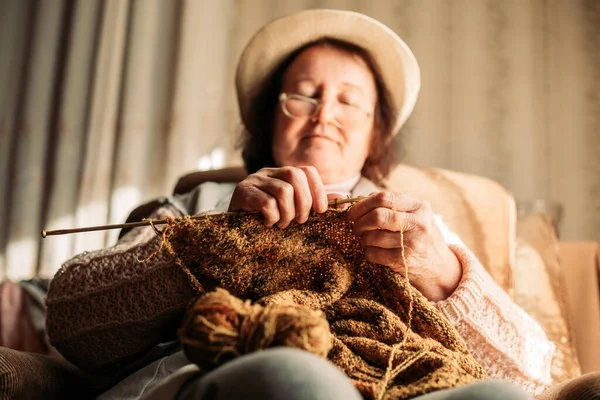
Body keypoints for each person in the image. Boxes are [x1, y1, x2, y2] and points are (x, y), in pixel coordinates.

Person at [45, 9, 555, 400]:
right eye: (304, 96)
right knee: (297, 377)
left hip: (398, 383)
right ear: (271, 117)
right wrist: (216, 242)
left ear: (375, 132)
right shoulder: (197, 204)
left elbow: (533, 375)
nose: (323, 116)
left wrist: (445, 274)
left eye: (349, 101)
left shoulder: (420, 228)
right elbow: (72, 323)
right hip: (243, 373)